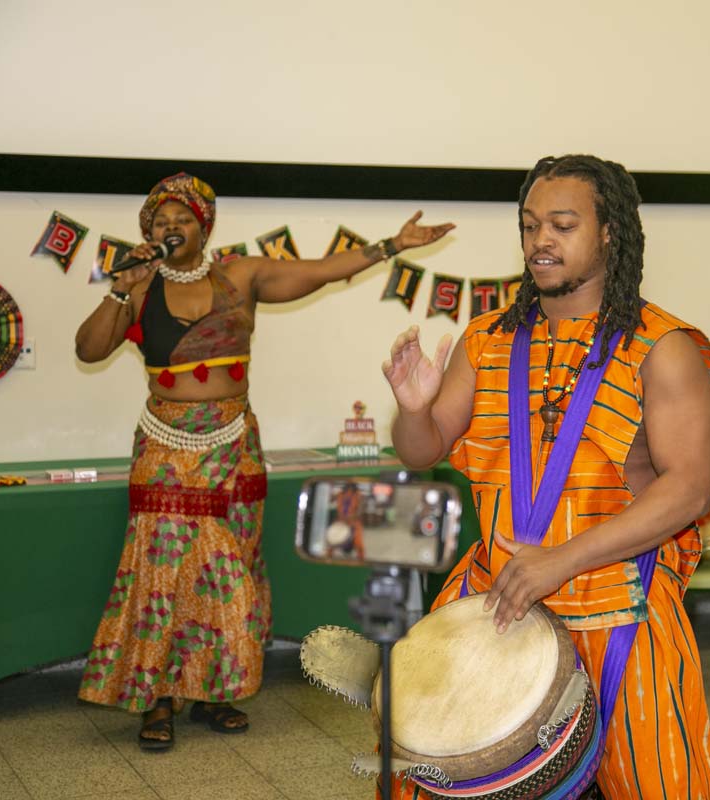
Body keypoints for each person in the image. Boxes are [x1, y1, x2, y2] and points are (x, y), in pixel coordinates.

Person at [382, 155, 710, 799]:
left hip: (618, 605)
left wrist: (559, 561)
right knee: (437, 777)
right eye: (530, 224)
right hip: (498, 598)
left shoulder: (662, 346)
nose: (541, 240)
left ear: (609, 235)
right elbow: (420, 451)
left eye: (563, 225)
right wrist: (412, 408)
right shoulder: (486, 340)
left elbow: (688, 488)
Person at [75, 173, 453, 751]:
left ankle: (215, 691)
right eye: (159, 221)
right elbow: (88, 349)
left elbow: (321, 271)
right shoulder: (141, 285)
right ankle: (156, 699)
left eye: (182, 218)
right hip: (163, 445)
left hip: (232, 445)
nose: (170, 227)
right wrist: (119, 289)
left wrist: (392, 247)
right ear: (147, 232)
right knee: (158, 572)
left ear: (205, 225)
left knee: (229, 569)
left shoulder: (240, 275)